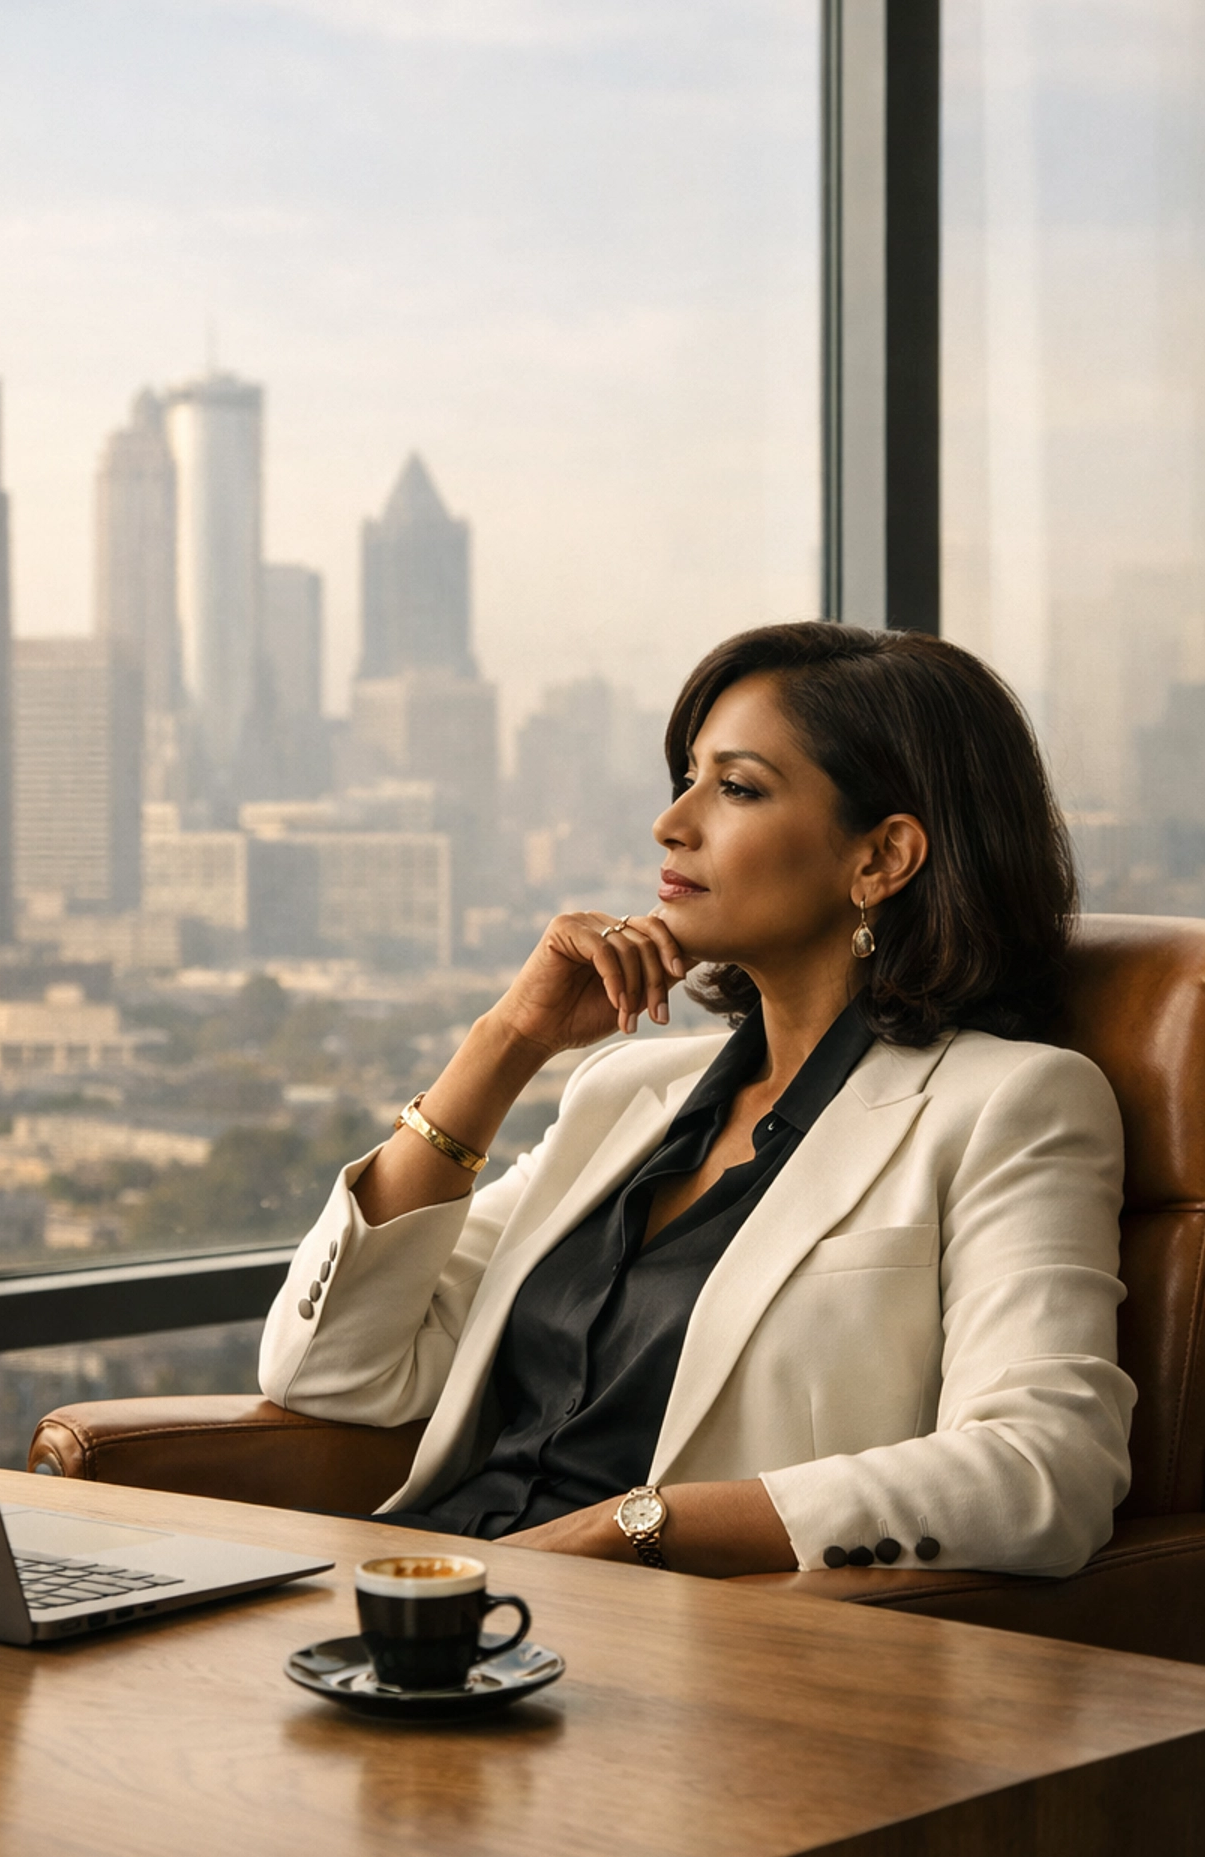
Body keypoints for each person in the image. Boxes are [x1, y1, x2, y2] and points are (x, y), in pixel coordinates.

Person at [260, 621, 1135, 1578]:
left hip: (657, 1653)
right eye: (686, 778)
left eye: (738, 788)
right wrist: (506, 1042)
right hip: (427, 1600)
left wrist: (636, 1526)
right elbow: (329, 1372)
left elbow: (1044, 1470)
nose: (671, 825)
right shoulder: (624, 1094)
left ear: (882, 859)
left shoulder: (1013, 1103)